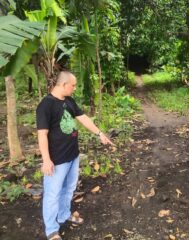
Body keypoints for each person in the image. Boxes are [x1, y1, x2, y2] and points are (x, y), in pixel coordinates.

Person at [36, 71, 114, 240]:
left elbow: (83, 118)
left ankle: (63, 215)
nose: (75, 88)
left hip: (73, 155)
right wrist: (46, 160)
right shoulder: (45, 105)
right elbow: (42, 135)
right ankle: (51, 230)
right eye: (73, 85)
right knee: (52, 193)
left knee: (69, 188)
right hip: (57, 160)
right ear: (63, 85)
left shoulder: (69, 101)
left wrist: (99, 133)